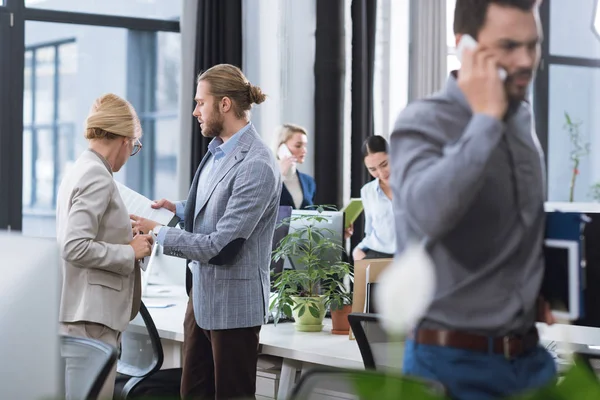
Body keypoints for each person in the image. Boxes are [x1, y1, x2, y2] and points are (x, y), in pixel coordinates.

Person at [390, 0, 556, 399]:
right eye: (509, 45)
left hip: (530, 360)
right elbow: (429, 213)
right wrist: (483, 120)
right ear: (465, 46)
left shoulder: (521, 119)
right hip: (451, 365)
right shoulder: (422, 121)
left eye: (533, 46)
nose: (525, 60)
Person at [130, 64, 281, 400]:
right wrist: (180, 209)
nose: (196, 111)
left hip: (234, 306)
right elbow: (222, 205)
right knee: (193, 394)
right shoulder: (218, 150)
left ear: (224, 104)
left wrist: (160, 234)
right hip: (200, 299)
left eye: (201, 102)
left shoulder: (256, 162)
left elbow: (223, 245)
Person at [56, 93, 153, 399]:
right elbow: (74, 246)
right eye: (135, 146)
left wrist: (126, 236)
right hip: (91, 318)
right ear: (124, 140)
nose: (131, 152)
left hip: (83, 313)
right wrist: (130, 251)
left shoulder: (79, 168)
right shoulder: (98, 176)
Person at [352, 135, 396, 261]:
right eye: (372, 169)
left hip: (411, 257)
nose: (381, 173)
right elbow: (371, 232)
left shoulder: (413, 185)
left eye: (384, 164)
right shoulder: (367, 191)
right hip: (378, 255)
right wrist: (358, 250)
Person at [275, 123, 316, 209]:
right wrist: (280, 176)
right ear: (281, 147)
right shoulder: (267, 178)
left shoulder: (308, 181)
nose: (304, 150)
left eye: (305, 145)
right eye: (298, 146)